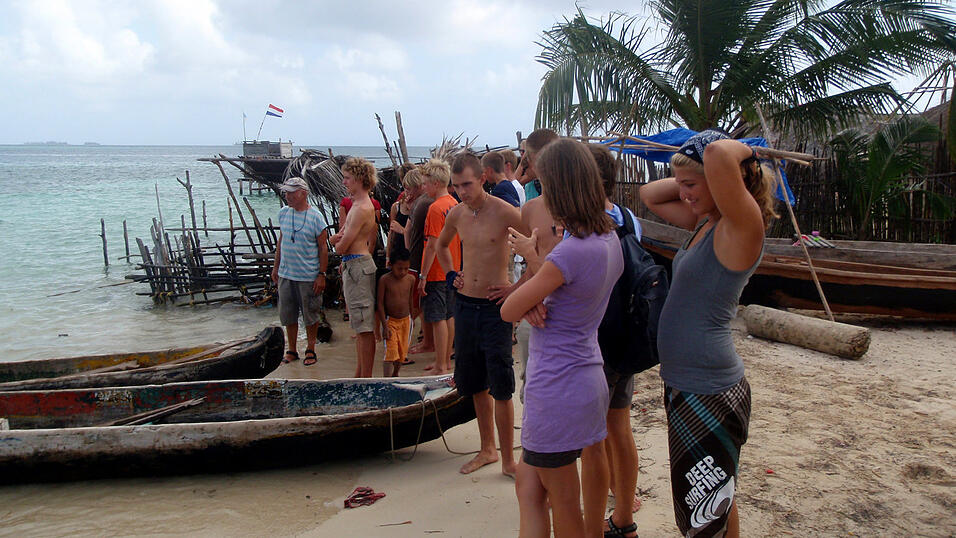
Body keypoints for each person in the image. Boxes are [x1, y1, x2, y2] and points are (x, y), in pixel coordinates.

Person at [639, 130, 778, 538]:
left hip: (709, 390)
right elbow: (650, 193)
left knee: (703, 512)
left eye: (690, 185)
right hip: (689, 384)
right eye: (680, 186)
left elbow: (717, 152)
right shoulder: (706, 221)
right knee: (715, 503)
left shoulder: (741, 226)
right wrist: (688, 170)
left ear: (721, 180)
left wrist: (742, 153)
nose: (682, 194)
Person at [501, 138, 623, 538]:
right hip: (587, 375)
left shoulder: (568, 254)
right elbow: (565, 296)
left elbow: (507, 309)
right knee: (529, 487)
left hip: (557, 385)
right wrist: (540, 298)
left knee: (562, 501)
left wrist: (532, 296)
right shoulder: (610, 241)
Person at [433, 152, 524, 477]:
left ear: (483, 178)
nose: (462, 191)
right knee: (474, 383)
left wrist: (516, 288)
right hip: (465, 305)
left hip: (495, 307)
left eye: (467, 184)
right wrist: (449, 274)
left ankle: (509, 461)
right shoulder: (457, 213)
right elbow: (441, 246)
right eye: (456, 186)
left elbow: (538, 247)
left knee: (501, 383)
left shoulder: (504, 211)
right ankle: (487, 450)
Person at [588, 144, 642, 538]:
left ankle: (596, 517)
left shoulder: (587, 225)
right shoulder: (627, 218)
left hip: (597, 337)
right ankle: (624, 510)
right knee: (619, 426)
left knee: (594, 434)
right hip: (627, 334)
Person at [488, 128, 559, 403]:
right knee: (533, 386)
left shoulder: (582, 205)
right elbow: (530, 258)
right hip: (537, 308)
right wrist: (519, 291)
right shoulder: (530, 209)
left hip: (571, 309)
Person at [270, 177, 329, 367]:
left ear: (303, 193)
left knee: (311, 314)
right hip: (287, 273)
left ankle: (310, 348)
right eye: (286, 192)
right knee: (288, 314)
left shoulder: (316, 217)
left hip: (308, 275)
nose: (287, 196)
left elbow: (323, 248)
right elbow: (281, 241)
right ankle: (292, 349)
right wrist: (276, 266)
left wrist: (321, 274)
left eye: (291, 192)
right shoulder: (284, 213)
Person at [330, 157, 379, 378]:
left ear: (359, 179)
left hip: (358, 265)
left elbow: (341, 245)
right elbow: (344, 237)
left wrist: (335, 242)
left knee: (364, 327)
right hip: (355, 264)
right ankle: (360, 375)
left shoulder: (360, 209)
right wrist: (338, 240)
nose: (344, 182)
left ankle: (365, 377)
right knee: (359, 327)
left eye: (347, 178)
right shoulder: (358, 205)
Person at [418, 158, 461, 374]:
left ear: (435, 183)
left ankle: (441, 364)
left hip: (437, 270)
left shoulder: (436, 208)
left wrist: (422, 275)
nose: (423, 187)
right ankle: (445, 361)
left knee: (438, 319)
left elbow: (432, 244)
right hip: (452, 268)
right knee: (449, 315)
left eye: (425, 183)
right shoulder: (454, 204)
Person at [405, 169, 436, 356]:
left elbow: (412, 233)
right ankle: (426, 339)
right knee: (422, 305)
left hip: (418, 260)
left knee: (417, 305)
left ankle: (426, 341)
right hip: (418, 258)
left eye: (409, 188)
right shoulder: (422, 202)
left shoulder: (423, 203)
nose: (407, 192)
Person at [376, 248, 416, 377]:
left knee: (402, 351)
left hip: (406, 320)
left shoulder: (410, 279)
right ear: (390, 265)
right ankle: (386, 379)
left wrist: (412, 318)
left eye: (406, 268)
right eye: (400, 268)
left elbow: (410, 299)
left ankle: (396, 374)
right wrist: (384, 325)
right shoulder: (385, 280)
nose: (403, 272)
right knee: (390, 352)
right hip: (391, 321)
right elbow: (380, 304)